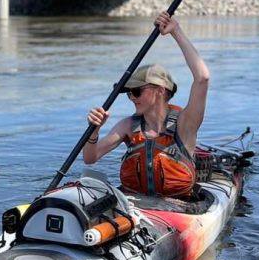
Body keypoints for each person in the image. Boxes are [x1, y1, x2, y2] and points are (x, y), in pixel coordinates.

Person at [82, 11, 209, 198]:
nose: (132, 98)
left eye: (137, 91)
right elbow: (90, 158)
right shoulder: (128, 126)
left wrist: (176, 31)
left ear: (160, 91)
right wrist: (93, 132)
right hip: (136, 205)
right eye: (129, 93)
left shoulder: (185, 123)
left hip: (179, 207)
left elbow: (202, 78)